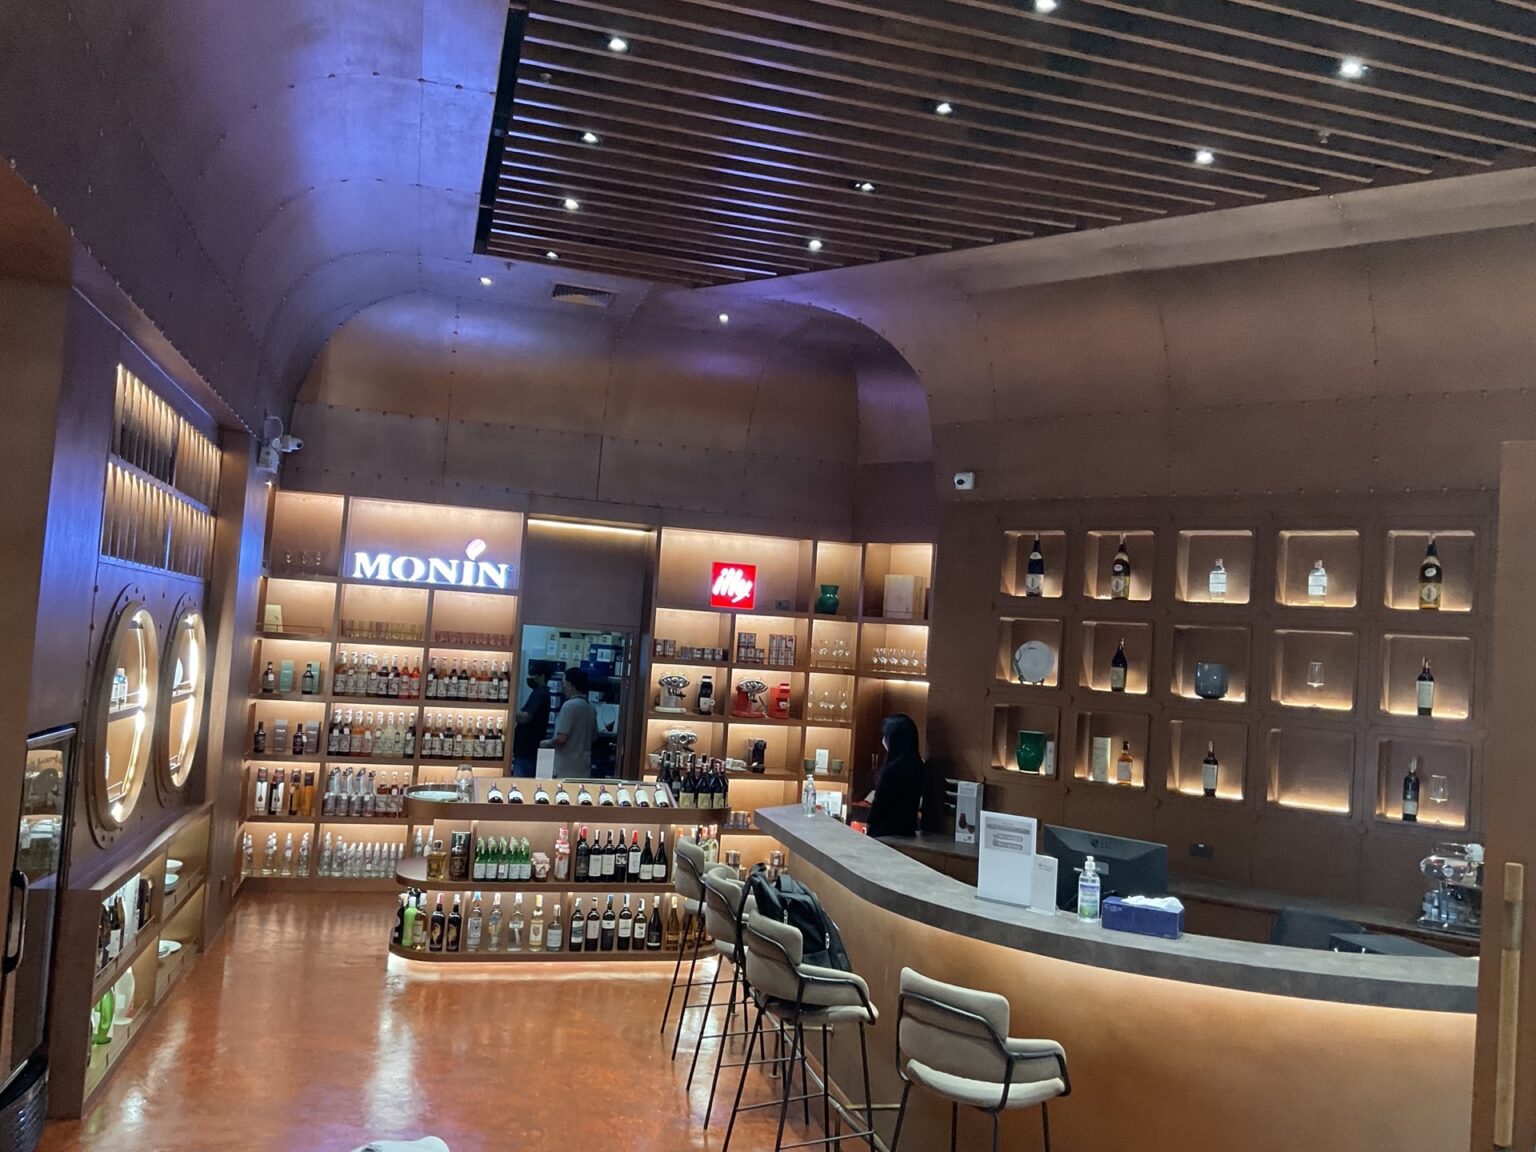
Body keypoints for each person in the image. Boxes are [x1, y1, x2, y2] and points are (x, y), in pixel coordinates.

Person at [865, 713, 945, 838]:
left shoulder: (891, 770)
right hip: (907, 830)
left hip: (882, 832)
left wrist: (869, 824)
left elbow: (879, 805)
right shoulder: (918, 766)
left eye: (886, 736)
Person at [543, 666, 596, 779]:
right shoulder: (591, 707)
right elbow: (594, 737)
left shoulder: (569, 706)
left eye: (564, 683)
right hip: (583, 768)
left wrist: (546, 743)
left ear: (571, 685)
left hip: (565, 768)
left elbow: (561, 738)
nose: (563, 688)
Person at [511, 670, 551, 778]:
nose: (530, 678)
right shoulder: (538, 693)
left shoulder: (541, 693)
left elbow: (525, 717)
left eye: (533, 674)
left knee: (520, 785)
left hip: (527, 751)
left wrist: (508, 711)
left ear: (542, 676)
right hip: (526, 750)